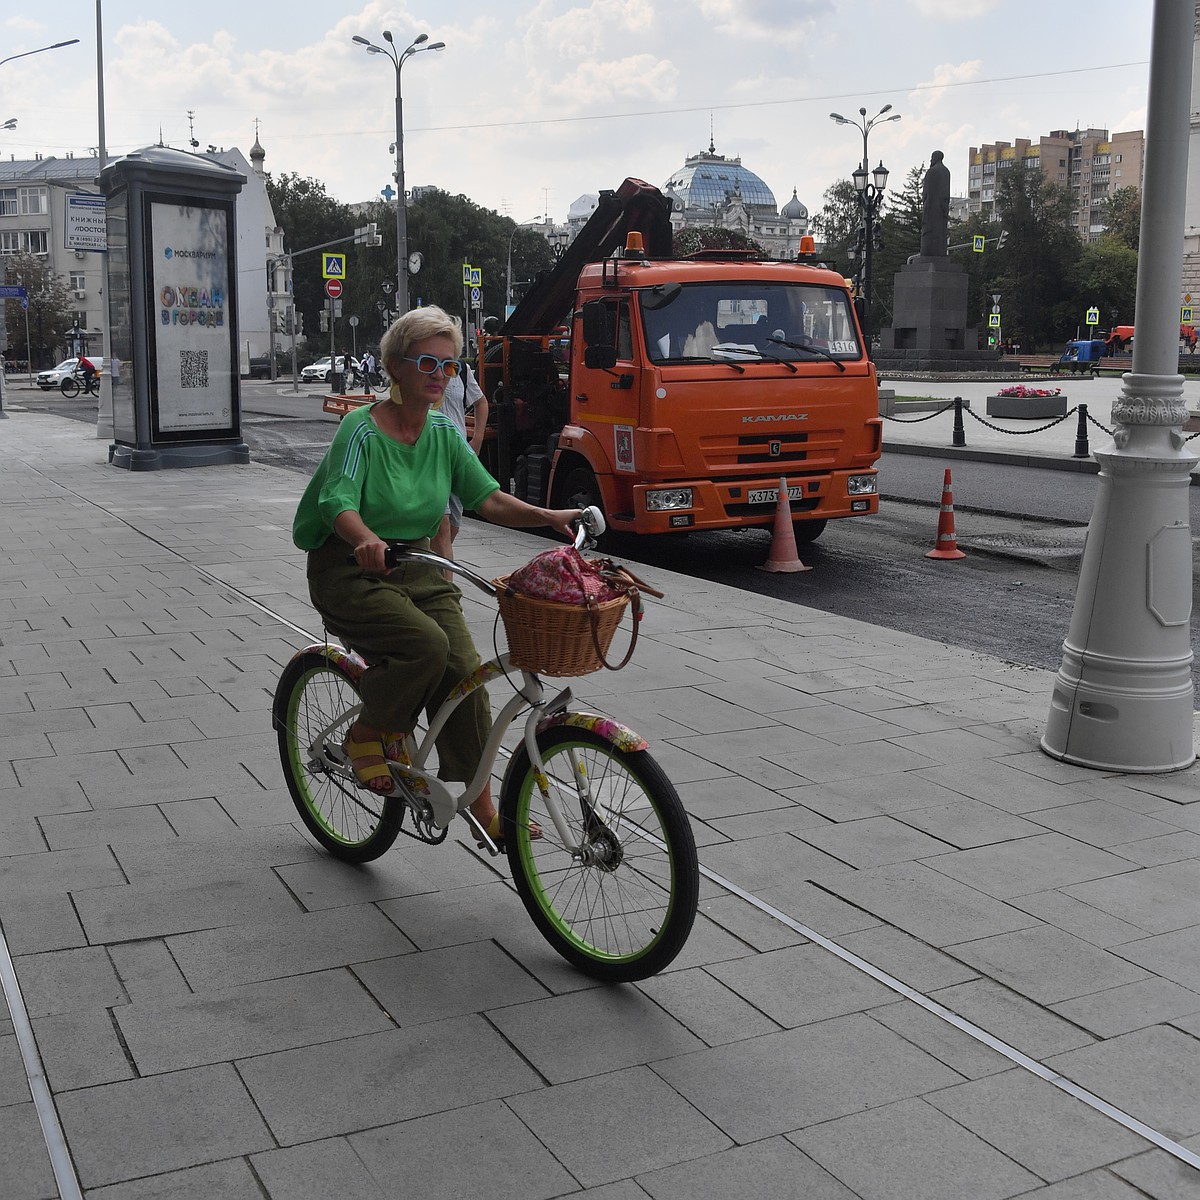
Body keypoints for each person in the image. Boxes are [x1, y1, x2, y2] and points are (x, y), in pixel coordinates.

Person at [292, 305, 580, 845]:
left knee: (467, 675)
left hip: (418, 563)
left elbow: (487, 497)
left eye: (449, 367)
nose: (440, 376)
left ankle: (479, 803)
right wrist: (365, 539)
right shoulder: (363, 429)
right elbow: (337, 500)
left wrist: (549, 518)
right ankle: (370, 732)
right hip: (350, 567)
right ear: (395, 366)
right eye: (428, 363)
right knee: (424, 645)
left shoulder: (444, 432)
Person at [430, 357, 489, 571]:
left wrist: (478, 439)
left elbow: (480, 402)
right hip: (429, 456)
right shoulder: (421, 369)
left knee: (453, 525)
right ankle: (446, 592)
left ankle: (428, 567)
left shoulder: (460, 370)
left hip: (457, 456)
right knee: (443, 527)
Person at [920, 150, 951, 258]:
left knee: (929, 231)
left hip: (931, 207)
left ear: (936, 158)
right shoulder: (946, 172)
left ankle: (927, 252)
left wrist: (925, 202)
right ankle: (940, 252)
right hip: (942, 208)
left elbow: (926, 192)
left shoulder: (932, 171)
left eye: (932, 157)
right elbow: (946, 192)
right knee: (941, 232)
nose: (930, 160)